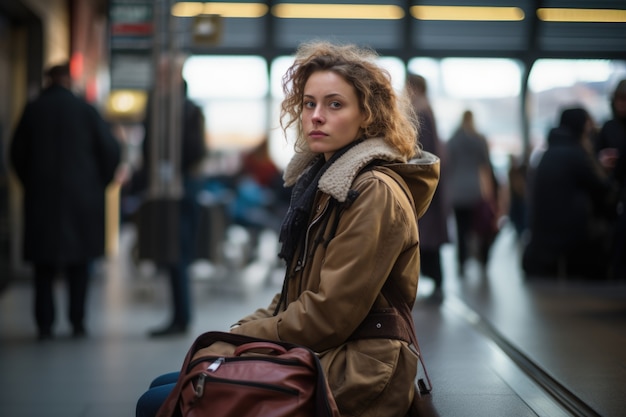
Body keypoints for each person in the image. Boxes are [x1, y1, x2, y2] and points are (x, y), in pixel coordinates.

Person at [136, 41, 440, 417]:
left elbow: (328, 316)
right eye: (309, 103)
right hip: (324, 351)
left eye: (334, 104)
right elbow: (294, 297)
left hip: (359, 368)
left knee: (160, 402)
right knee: (167, 386)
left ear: (367, 115)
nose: (315, 116)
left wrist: (238, 341)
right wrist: (239, 332)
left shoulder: (371, 191)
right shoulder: (325, 183)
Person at [9, 62, 121, 340]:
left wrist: (32, 184)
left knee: (43, 267)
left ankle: (44, 325)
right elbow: (111, 151)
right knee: (79, 265)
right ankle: (77, 322)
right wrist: (98, 185)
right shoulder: (86, 110)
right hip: (83, 199)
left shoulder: (33, 110)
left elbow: (16, 155)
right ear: (70, 80)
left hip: (42, 198)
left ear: (48, 80)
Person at [139, 77, 207, 337]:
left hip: (179, 189)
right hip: (180, 188)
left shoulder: (180, 114)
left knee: (176, 252)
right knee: (175, 252)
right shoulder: (186, 112)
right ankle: (180, 315)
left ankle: (181, 316)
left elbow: (192, 149)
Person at [523, 107, 617, 279]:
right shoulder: (576, 154)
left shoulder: (548, 152)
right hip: (570, 237)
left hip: (543, 238)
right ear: (581, 127)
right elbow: (603, 190)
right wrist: (605, 170)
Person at [405, 73, 449, 300]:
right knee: (428, 236)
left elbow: (421, 150)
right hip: (429, 185)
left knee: (426, 236)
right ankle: (436, 281)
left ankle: (437, 282)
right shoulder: (426, 109)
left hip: (422, 185)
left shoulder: (420, 112)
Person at [446, 110, 498, 277]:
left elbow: (447, 166)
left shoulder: (453, 140)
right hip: (475, 189)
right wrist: (489, 192)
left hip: (457, 190)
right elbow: (485, 167)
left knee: (461, 229)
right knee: (478, 226)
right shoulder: (478, 140)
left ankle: (461, 261)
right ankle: (481, 258)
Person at [595, 79, 626, 279]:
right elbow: (596, 155)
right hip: (615, 188)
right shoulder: (608, 127)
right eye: (620, 100)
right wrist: (602, 161)